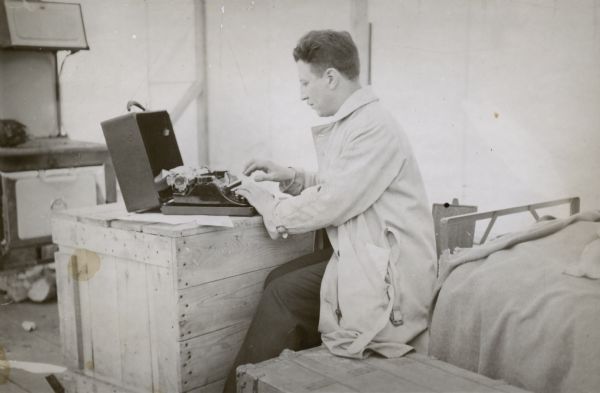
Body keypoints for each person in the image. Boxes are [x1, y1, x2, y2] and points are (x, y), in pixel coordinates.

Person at [225, 29, 436, 393]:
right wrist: (291, 176)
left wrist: (268, 204)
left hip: (390, 272)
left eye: (305, 82)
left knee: (282, 293)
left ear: (331, 77)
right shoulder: (359, 120)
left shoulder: (372, 127)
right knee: (277, 279)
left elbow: (333, 201)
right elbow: (342, 184)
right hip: (366, 253)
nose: (301, 94)